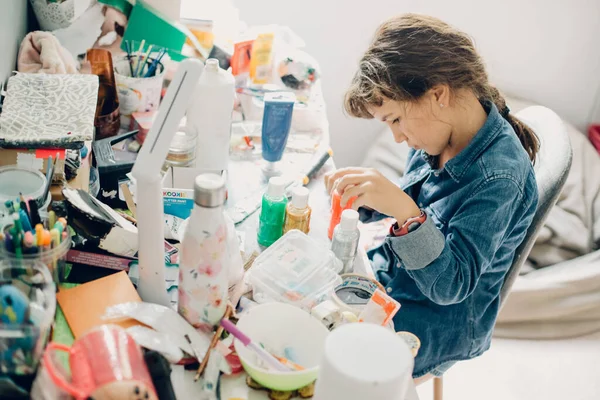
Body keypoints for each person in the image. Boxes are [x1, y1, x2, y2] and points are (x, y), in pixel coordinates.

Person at [325, 14, 539, 383]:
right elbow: (423, 200)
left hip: (435, 321)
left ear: (437, 94)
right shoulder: (445, 129)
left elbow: (451, 285)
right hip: (398, 277)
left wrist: (404, 212)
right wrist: (373, 198)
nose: (396, 138)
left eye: (395, 120)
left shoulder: (499, 178)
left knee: (327, 367)